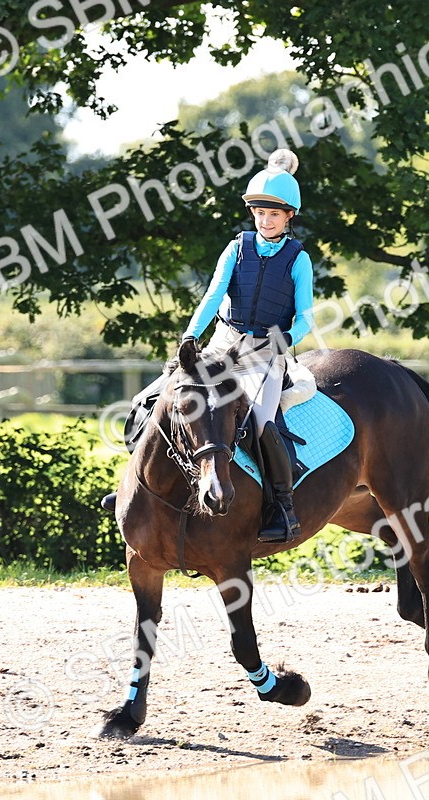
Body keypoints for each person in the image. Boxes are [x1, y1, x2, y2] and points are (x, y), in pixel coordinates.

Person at [102, 148, 315, 544]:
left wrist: (285, 339)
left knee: (261, 423)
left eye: (273, 214)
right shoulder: (236, 248)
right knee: (152, 403)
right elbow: (213, 295)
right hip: (222, 344)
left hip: (264, 354)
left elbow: (306, 319)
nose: (264, 220)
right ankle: (136, 489)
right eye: (258, 213)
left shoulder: (298, 259)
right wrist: (190, 336)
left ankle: (282, 506)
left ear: (289, 216)